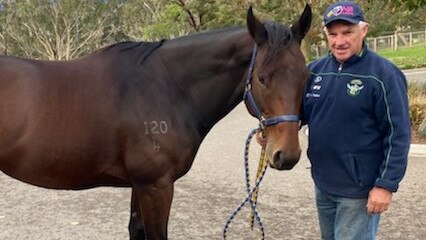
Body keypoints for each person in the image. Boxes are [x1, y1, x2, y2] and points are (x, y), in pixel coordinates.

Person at [258, 1, 411, 239]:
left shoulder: (384, 75)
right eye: (333, 34)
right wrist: (270, 131)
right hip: (324, 184)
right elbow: (300, 113)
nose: (339, 41)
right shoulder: (315, 71)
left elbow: (398, 134)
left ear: (364, 30)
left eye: (347, 32)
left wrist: (385, 185)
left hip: (358, 191)